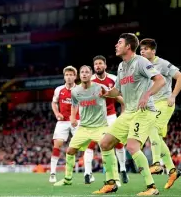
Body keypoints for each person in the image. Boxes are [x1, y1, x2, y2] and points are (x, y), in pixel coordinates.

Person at [98, 33, 165, 195]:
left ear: (128, 46)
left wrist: (147, 95)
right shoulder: (122, 66)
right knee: (105, 143)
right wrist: (106, 92)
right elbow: (117, 91)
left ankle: (151, 187)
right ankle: (111, 183)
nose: (116, 45)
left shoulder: (141, 61)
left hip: (143, 111)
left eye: (119, 42)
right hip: (129, 112)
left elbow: (160, 80)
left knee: (132, 146)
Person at [54, 65, 120, 193]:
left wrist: (124, 106)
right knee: (70, 150)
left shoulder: (99, 87)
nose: (84, 74)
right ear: (79, 75)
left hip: (100, 126)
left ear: (91, 74)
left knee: (107, 149)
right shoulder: (76, 91)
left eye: (87, 72)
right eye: (82, 72)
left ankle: (113, 179)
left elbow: (115, 96)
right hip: (83, 127)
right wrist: (73, 118)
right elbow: (74, 105)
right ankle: (68, 179)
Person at [140, 38, 181, 189]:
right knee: (157, 137)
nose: (142, 51)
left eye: (145, 49)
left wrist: (173, 96)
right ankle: (172, 170)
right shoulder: (143, 66)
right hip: (152, 104)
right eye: (141, 50)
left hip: (164, 102)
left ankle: (156, 163)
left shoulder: (162, 63)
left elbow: (180, 76)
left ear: (153, 51)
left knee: (152, 129)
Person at [83, 55, 128, 184]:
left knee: (117, 143)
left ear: (105, 65)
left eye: (100, 63)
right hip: (95, 117)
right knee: (90, 144)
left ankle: (123, 170)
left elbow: (122, 98)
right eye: (96, 64)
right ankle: (87, 173)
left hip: (111, 116)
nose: (98, 65)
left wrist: (123, 115)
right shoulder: (89, 80)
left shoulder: (113, 79)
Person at [49, 66, 79, 183]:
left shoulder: (80, 89)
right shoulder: (59, 89)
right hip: (62, 122)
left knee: (75, 148)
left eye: (71, 75)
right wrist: (57, 113)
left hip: (77, 122)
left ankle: (86, 172)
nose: (69, 77)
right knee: (57, 146)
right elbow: (54, 102)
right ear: (64, 76)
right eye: (67, 75)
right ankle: (52, 173)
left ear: (75, 77)